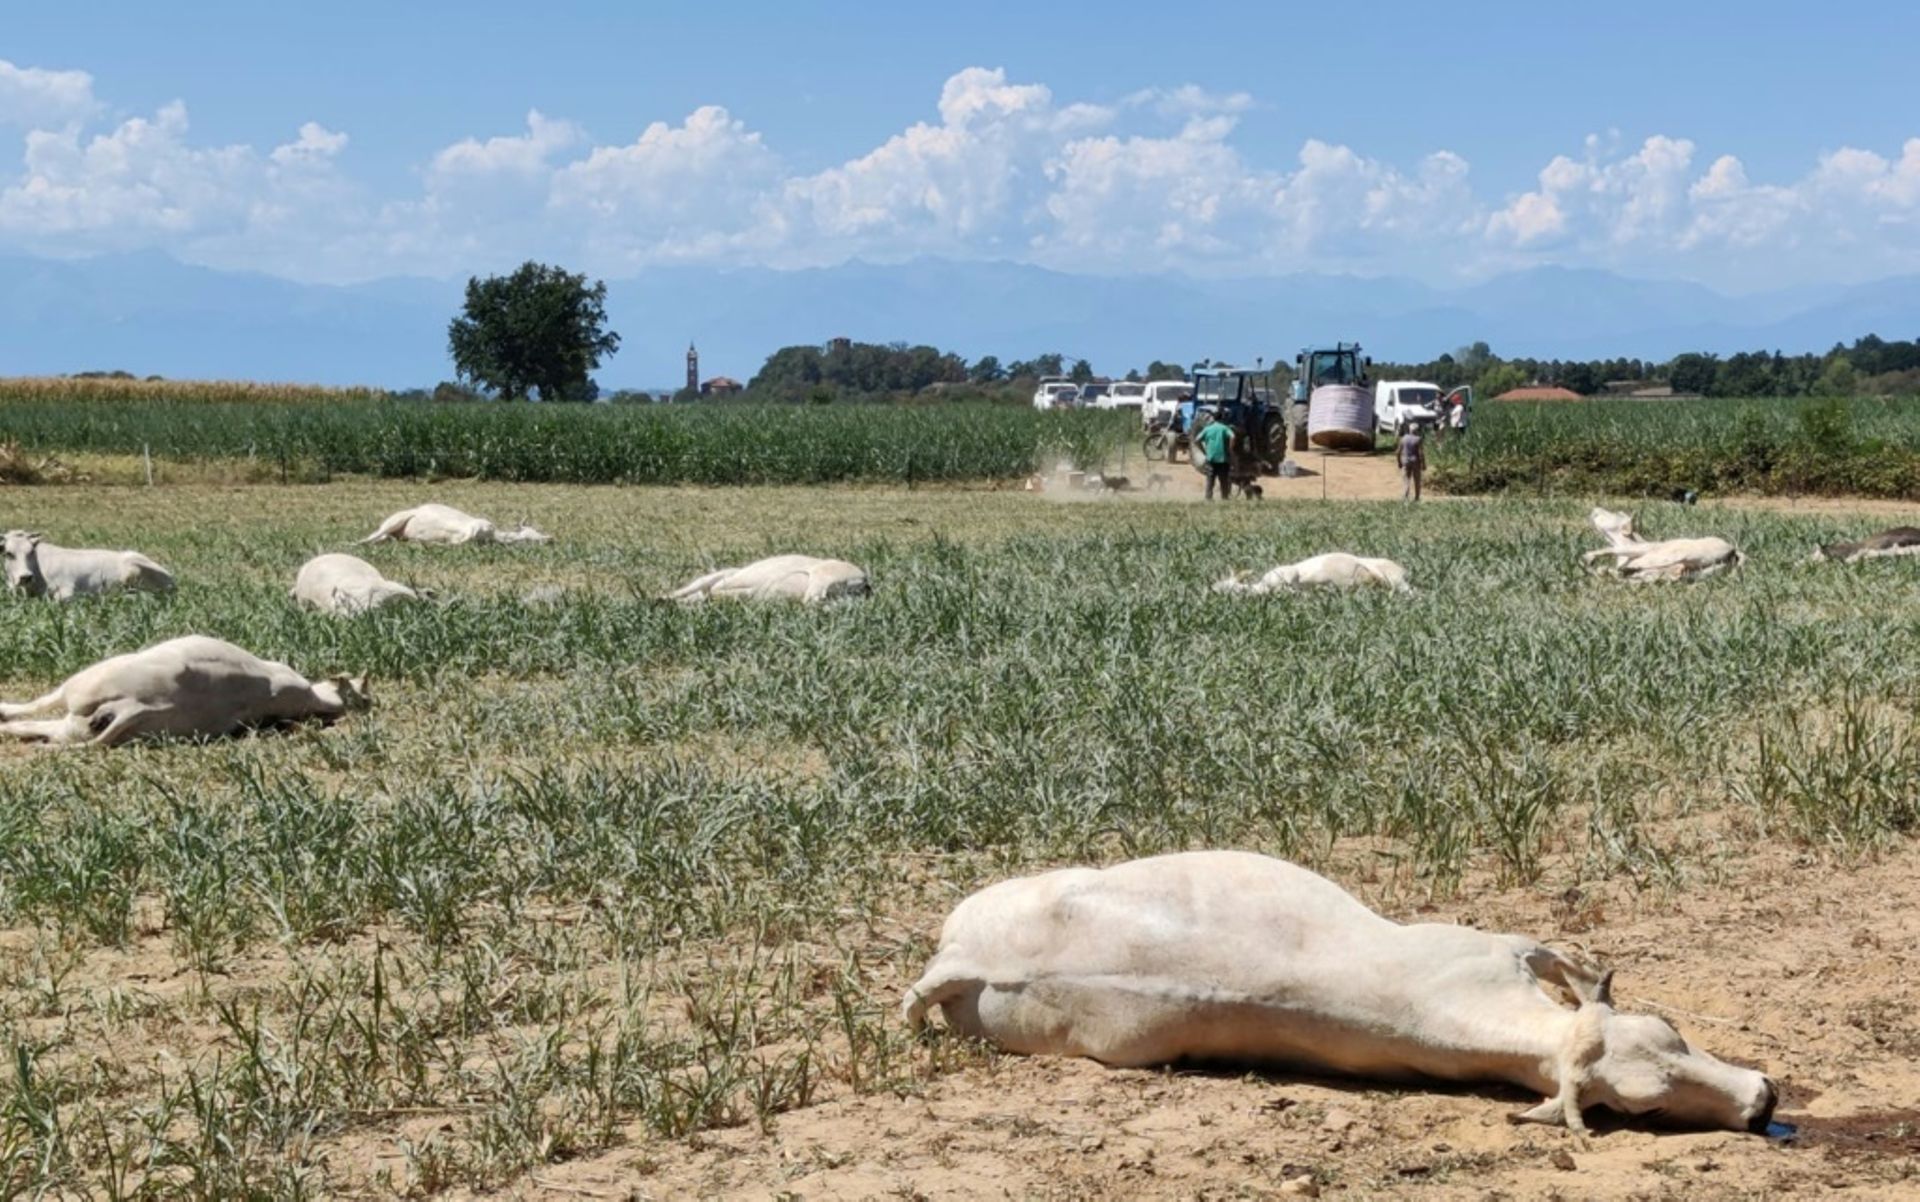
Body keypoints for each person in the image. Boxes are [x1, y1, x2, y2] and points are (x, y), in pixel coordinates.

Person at [1195, 417, 1234, 500]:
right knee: (1224, 479)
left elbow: (1197, 439)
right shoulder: (1224, 428)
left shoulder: (1207, 429)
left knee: (1210, 479)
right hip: (1223, 458)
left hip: (1210, 458)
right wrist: (1230, 449)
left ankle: (1208, 498)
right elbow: (1233, 436)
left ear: (1213, 419)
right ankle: (1225, 497)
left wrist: (1203, 450)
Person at [1397, 424, 1425, 502]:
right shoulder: (1418, 439)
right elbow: (1421, 453)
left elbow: (1398, 452)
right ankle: (1417, 497)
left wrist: (1399, 462)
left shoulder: (1403, 438)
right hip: (1415, 461)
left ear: (1409, 430)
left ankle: (1405, 496)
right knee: (1417, 480)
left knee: (1406, 479)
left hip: (1405, 461)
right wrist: (1423, 464)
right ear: (1417, 430)